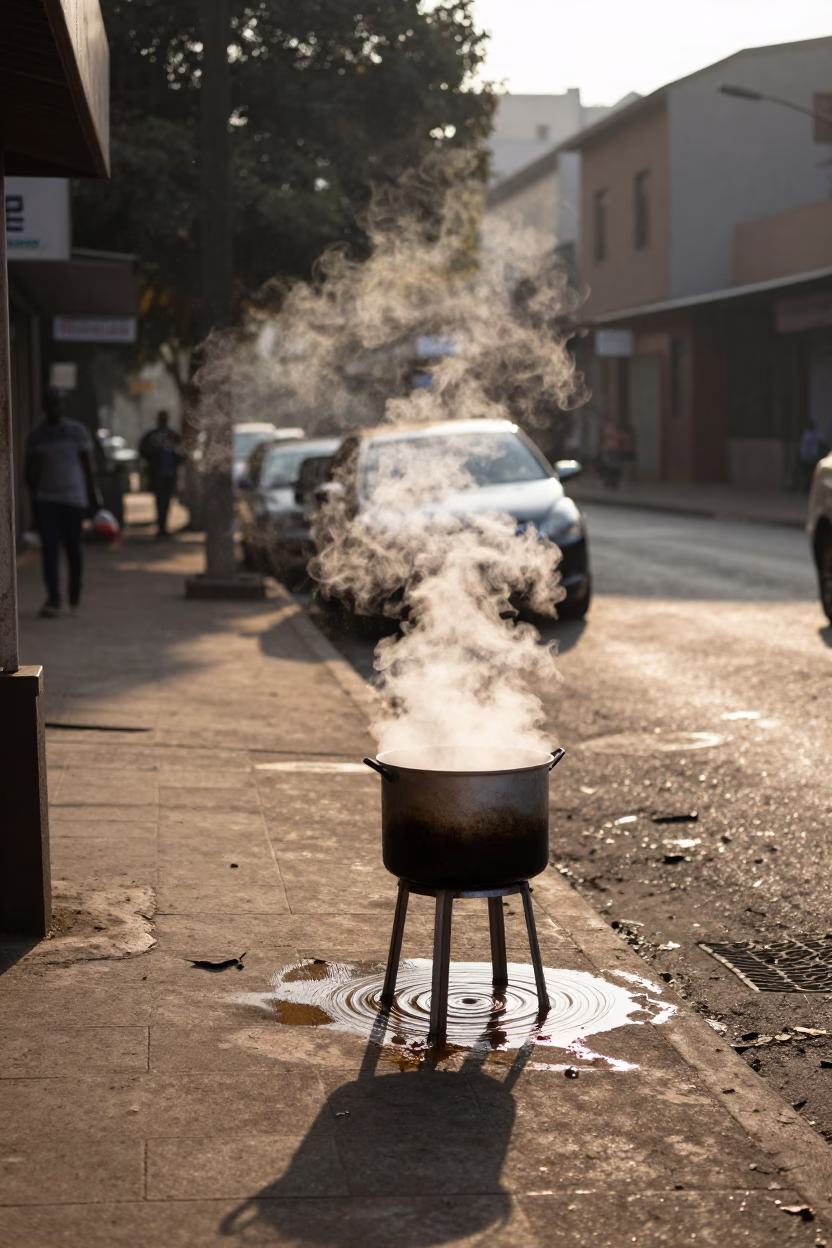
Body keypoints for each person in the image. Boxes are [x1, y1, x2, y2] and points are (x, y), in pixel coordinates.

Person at [25, 389, 100, 618]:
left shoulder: (76, 432)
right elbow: (29, 473)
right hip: (46, 500)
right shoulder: (37, 435)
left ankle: (74, 592)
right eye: (51, 404)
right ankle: (53, 598)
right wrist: (33, 503)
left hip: (73, 499)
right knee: (49, 549)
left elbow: (88, 467)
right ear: (44, 407)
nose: (55, 409)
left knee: (73, 548)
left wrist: (94, 497)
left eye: (58, 404)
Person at [139, 411, 183, 539]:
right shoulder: (160, 436)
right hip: (160, 474)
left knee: (164, 500)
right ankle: (161, 526)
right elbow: (143, 452)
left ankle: (163, 526)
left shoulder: (169, 436)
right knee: (162, 500)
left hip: (165, 474)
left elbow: (181, 453)